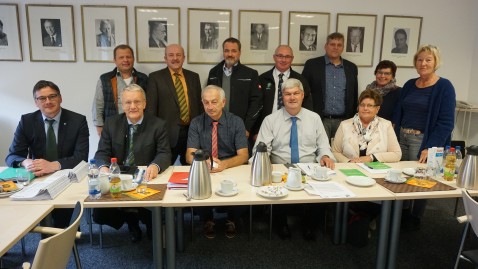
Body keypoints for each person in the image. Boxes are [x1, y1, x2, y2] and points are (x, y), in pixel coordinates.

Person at [252, 78, 335, 240]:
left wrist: (325, 156)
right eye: (288, 94)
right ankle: (281, 225)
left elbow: (323, 145)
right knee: (274, 187)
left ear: (302, 95)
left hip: (309, 168)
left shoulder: (314, 118)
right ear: (282, 96)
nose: (292, 97)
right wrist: (265, 161)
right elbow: (260, 149)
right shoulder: (271, 120)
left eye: (296, 93)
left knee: (322, 189)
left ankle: (310, 226)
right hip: (280, 168)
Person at [5, 80, 89, 228]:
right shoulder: (27, 121)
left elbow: (81, 157)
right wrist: (26, 162)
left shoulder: (78, 120)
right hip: (37, 178)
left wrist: (53, 165)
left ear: (60, 98)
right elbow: (12, 156)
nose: (48, 101)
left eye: (52, 96)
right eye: (42, 98)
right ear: (36, 102)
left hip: (66, 177)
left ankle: (61, 234)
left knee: (62, 224)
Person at [94, 84, 171, 242]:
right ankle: (130, 218)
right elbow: (102, 152)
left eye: (137, 102)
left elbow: (164, 153)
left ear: (144, 103)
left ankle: (147, 221)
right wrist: (104, 167)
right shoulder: (111, 123)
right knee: (99, 214)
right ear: (122, 105)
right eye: (128, 103)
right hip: (118, 179)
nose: (133, 106)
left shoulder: (158, 124)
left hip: (146, 180)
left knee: (155, 218)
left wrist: (155, 165)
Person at [393, 44, 456, 230]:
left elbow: (446, 122)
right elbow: (399, 111)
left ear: (436, 62)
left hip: (423, 140)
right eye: (420, 59)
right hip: (402, 136)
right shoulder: (410, 84)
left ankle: (415, 217)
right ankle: (401, 213)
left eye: (428, 59)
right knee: (399, 178)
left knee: (421, 179)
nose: (423, 63)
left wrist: (431, 147)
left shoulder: (444, 87)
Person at [186, 85, 248, 239]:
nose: (210, 107)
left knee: (242, 185)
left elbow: (244, 155)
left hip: (230, 166)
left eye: (214, 102)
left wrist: (224, 165)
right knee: (198, 184)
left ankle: (232, 219)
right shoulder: (196, 123)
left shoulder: (236, 122)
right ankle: (207, 220)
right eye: (206, 102)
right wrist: (202, 161)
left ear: (223, 102)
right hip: (205, 167)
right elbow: (188, 155)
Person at [146, 44, 203, 165]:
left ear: (184, 57)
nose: (175, 58)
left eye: (178, 55)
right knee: (164, 168)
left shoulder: (194, 77)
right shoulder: (155, 78)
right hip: (166, 134)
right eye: (171, 55)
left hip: (191, 134)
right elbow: (151, 110)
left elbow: (199, 105)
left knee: (192, 168)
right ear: (165, 58)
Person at [302, 32, 358, 140]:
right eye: (332, 44)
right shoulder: (312, 65)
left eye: (339, 45)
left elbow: (354, 94)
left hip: (344, 120)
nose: (335, 48)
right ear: (326, 46)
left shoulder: (351, 67)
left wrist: (352, 119)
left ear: (342, 48)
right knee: (321, 153)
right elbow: (303, 92)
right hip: (319, 119)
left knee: (342, 152)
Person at [207, 37, 262, 142]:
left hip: (240, 128)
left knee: (241, 157)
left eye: (234, 51)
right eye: (226, 51)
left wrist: (246, 127)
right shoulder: (214, 73)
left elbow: (256, 103)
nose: (230, 54)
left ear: (240, 52)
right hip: (217, 127)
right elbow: (208, 99)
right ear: (223, 52)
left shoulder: (250, 74)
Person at [255, 45, 313, 135]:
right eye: (280, 56)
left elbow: (307, 106)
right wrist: (256, 131)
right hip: (267, 127)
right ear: (274, 57)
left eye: (287, 57)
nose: (283, 60)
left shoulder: (300, 80)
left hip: (294, 127)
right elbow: (256, 106)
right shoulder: (262, 79)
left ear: (292, 59)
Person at [332, 89, 401, 163]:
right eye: (362, 105)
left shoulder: (386, 125)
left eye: (370, 105)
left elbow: (396, 154)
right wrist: (349, 162)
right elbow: (335, 152)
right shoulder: (344, 125)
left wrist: (371, 158)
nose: (365, 108)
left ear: (377, 109)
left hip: (376, 171)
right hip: (350, 169)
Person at [92, 44, 148, 137]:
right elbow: (98, 105)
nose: (125, 60)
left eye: (128, 57)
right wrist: (100, 127)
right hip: (113, 128)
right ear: (115, 60)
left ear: (133, 58)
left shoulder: (143, 78)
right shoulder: (105, 79)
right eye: (121, 57)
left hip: (139, 127)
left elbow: (148, 105)